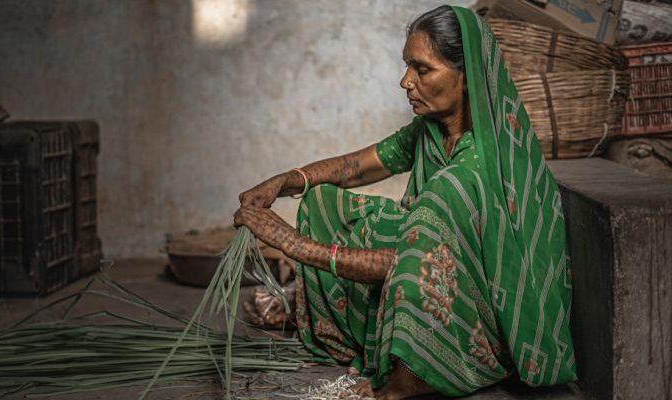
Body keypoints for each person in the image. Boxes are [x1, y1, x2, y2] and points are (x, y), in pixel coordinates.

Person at [234, 5, 577, 399]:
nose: (405, 82)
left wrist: (290, 242)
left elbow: (406, 265)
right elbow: (357, 167)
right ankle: (345, 335)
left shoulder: (471, 171)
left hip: (474, 313)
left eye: (422, 69)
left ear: (466, 79)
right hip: (426, 257)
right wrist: (287, 181)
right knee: (322, 201)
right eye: (406, 66)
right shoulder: (432, 130)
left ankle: (409, 377)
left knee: (413, 234)